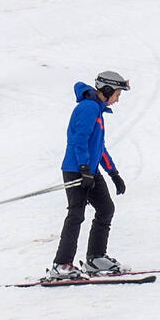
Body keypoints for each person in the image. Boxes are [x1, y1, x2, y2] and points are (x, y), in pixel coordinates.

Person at [48, 71, 131, 279]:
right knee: (76, 213)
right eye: (117, 94)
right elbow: (79, 140)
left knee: (105, 208)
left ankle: (95, 258)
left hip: (89, 171)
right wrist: (84, 168)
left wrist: (114, 174)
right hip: (76, 169)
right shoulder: (88, 108)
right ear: (107, 90)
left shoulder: (98, 111)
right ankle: (61, 264)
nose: (117, 99)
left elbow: (99, 147)